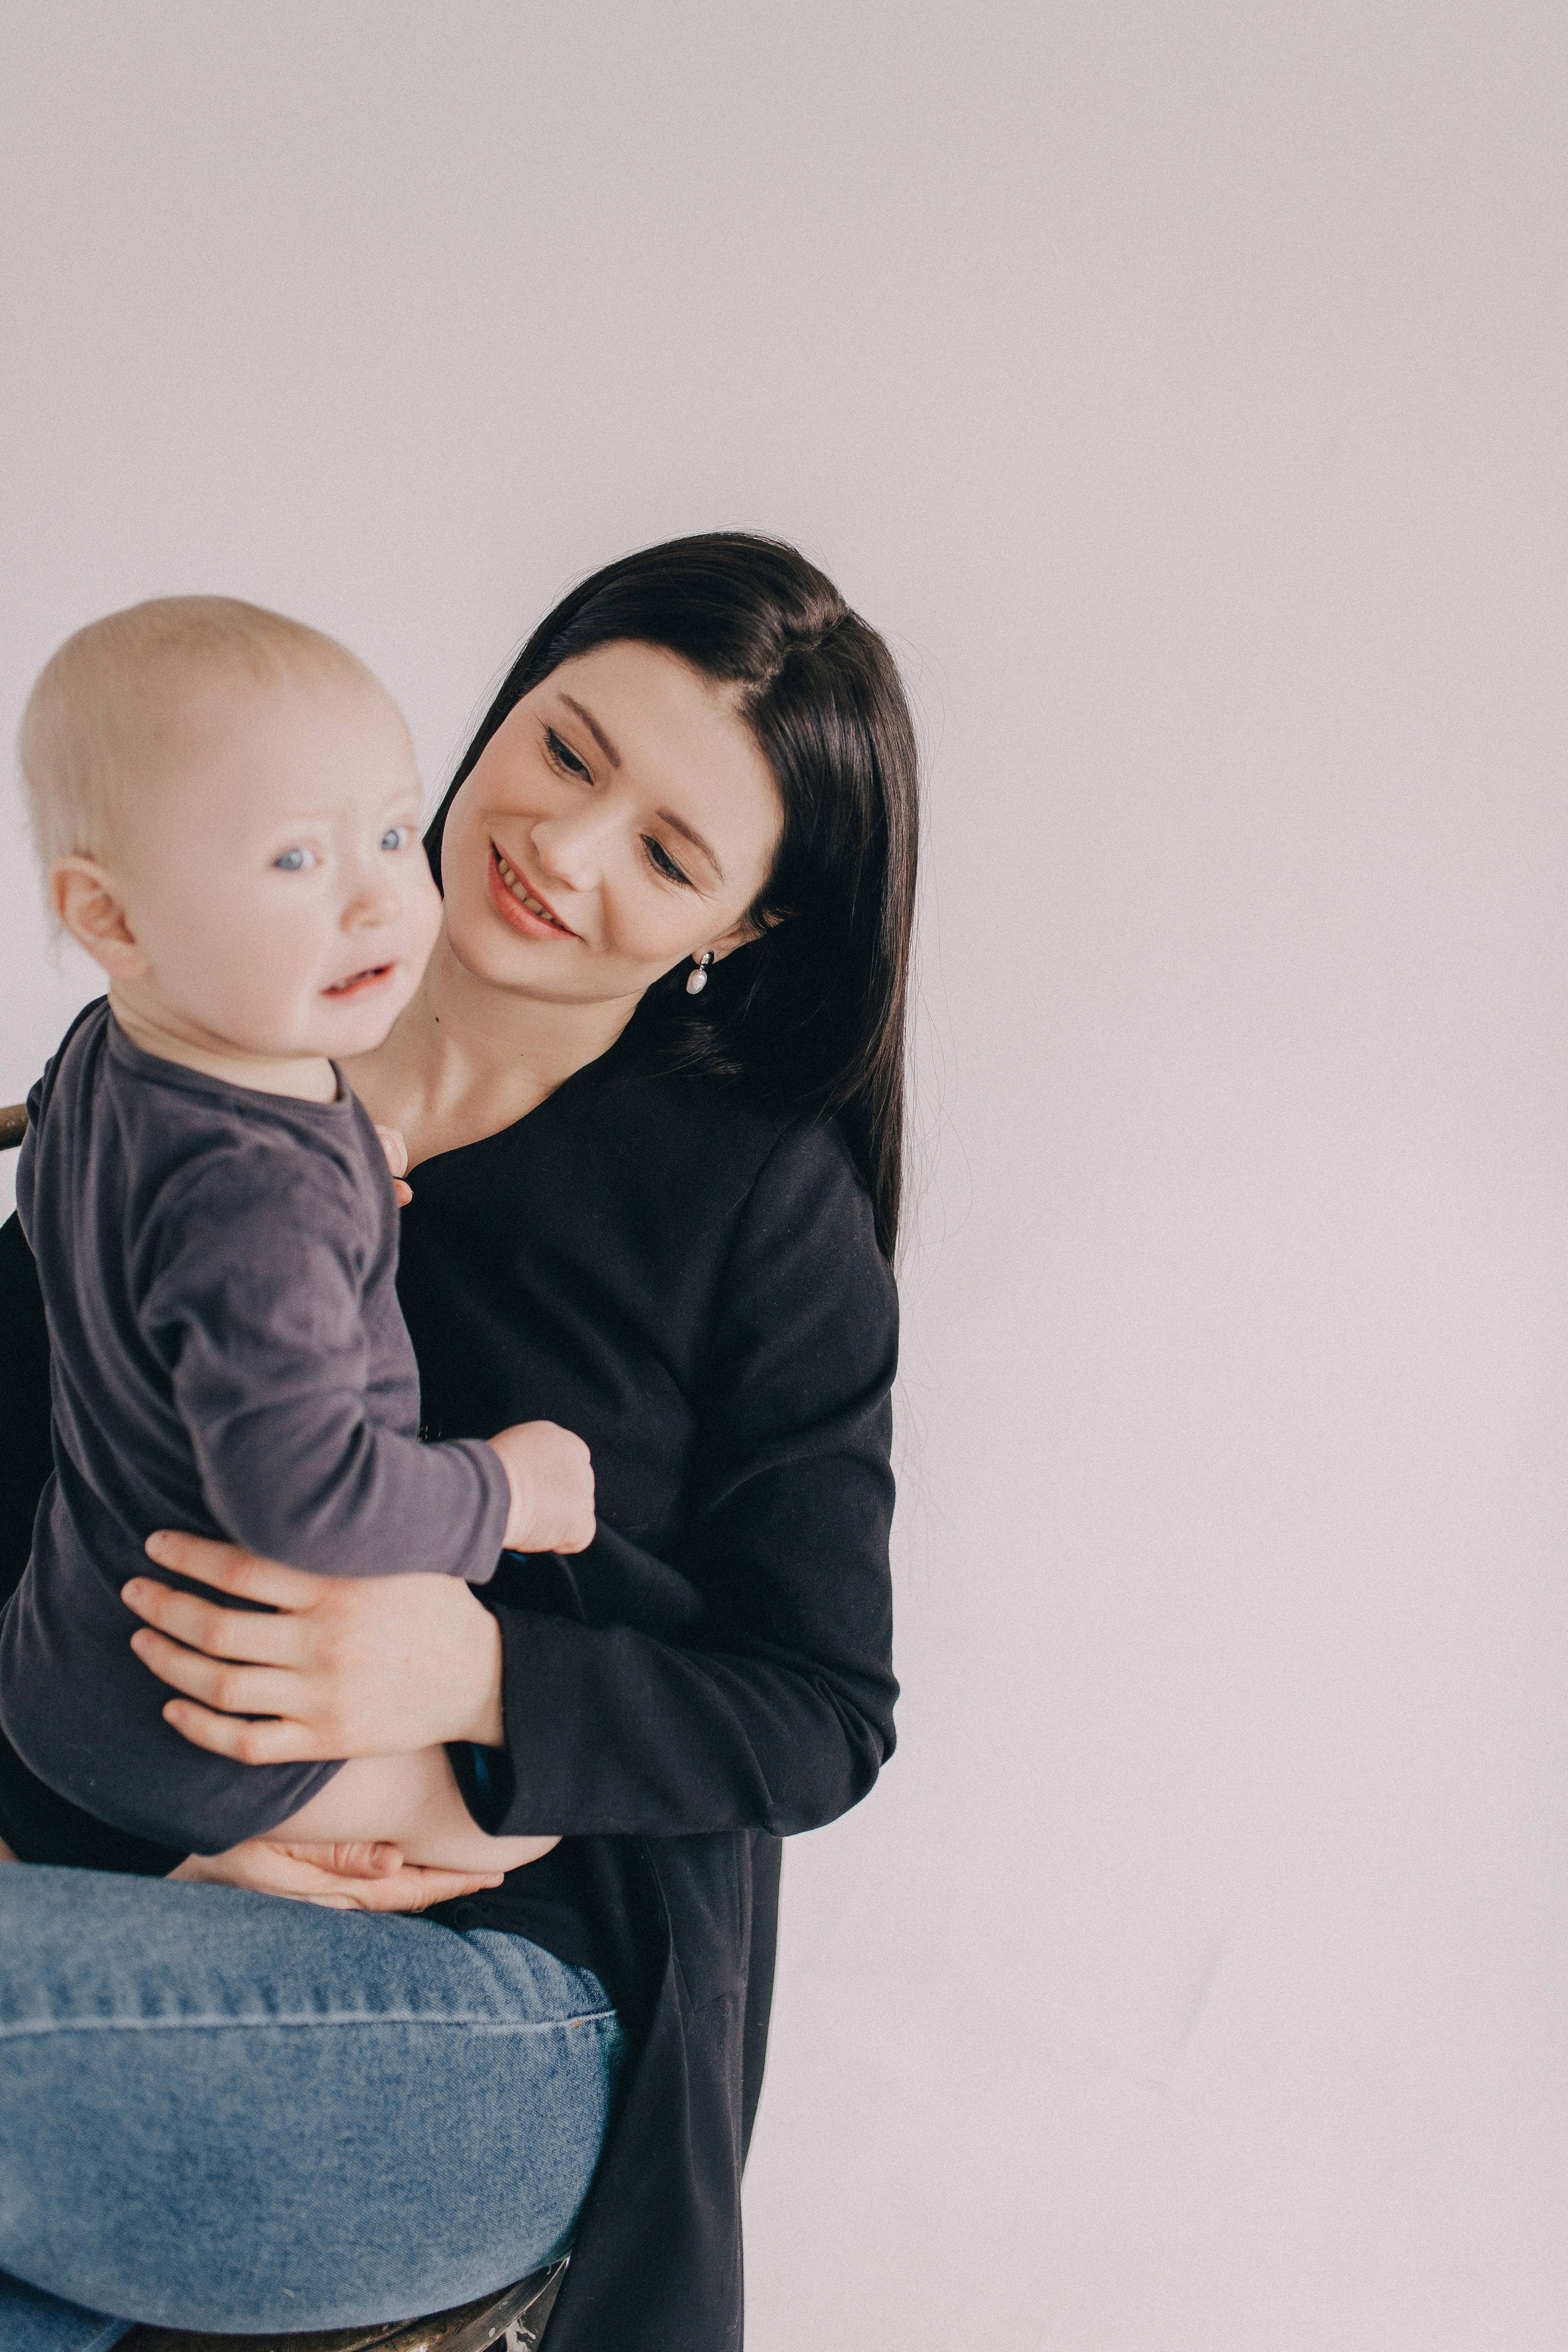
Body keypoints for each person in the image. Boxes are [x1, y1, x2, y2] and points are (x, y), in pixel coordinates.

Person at [0, 532, 915, 2351]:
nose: (562, 855)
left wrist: (475, 1670)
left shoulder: (756, 1207)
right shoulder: (190, 1037)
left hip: (486, 2026)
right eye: (567, 753)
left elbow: (823, 1711)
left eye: (669, 854)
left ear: (745, 928)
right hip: (102, 1917)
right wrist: (145, 1833)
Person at [1, 595, 593, 1874]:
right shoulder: (258, 1205)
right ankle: (258, 1862)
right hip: (209, 1734)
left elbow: (74, 1167)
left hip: (62, 1664)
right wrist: (509, 1490)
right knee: (538, 1820)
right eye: (294, 862)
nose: (380, 899)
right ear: (112, 918)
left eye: (389, 831)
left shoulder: (115, 1054)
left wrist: (332, 1164)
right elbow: (313, 1498)